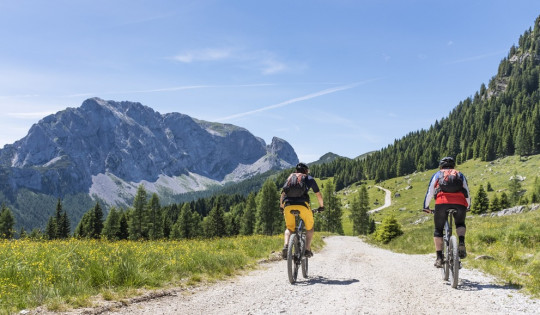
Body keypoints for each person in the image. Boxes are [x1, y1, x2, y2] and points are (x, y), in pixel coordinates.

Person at [423, 156, 471, 268]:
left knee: (438, 230)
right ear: (453, 166)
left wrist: (426, 207)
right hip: (460, 203)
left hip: (442, 203)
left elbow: (430, 192)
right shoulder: (459, 174)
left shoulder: (437, 174)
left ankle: (439, 258)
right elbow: (467, 192)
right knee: (460, 224)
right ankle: (461, 242)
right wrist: (468, 206)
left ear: (441, 166)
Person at [280, 162, 324, 259]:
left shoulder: (290, 178)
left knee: (289, 228)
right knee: (310, 228)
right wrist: (321, 206)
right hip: (303, 205)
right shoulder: (309, 178)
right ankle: (307, 250)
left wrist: (281, 207)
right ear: (306, 171)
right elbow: (318, 195)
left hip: (287, 205)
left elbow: (283, 194)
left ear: (296, 171)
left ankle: (286, 245)